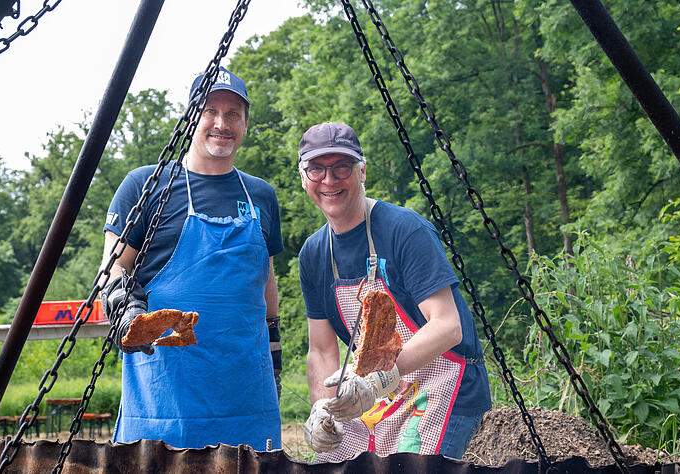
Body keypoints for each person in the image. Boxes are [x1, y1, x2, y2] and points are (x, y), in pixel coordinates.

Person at [99, 66, 283, 450]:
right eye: (210, 111)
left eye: (233, 114)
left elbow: (265, 281)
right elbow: (113, 268)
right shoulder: (146, 185)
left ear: (246, 123)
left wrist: (276, 354)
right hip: (164, 394)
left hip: (246, 392)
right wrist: (125, 310)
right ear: (190, 118)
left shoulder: (261, 195)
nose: (222, 123)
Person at [298, 122, 491, 461]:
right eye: (317, 169)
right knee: (329, 464)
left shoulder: (405, 230)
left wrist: (379, 380)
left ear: (362, 171)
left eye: (342, 167)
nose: (329, 180)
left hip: (444, 383)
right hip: (375, 396)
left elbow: (448, 325)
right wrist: (322, 409)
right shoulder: (313, 255)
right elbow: (321, 349)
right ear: (303, 177)